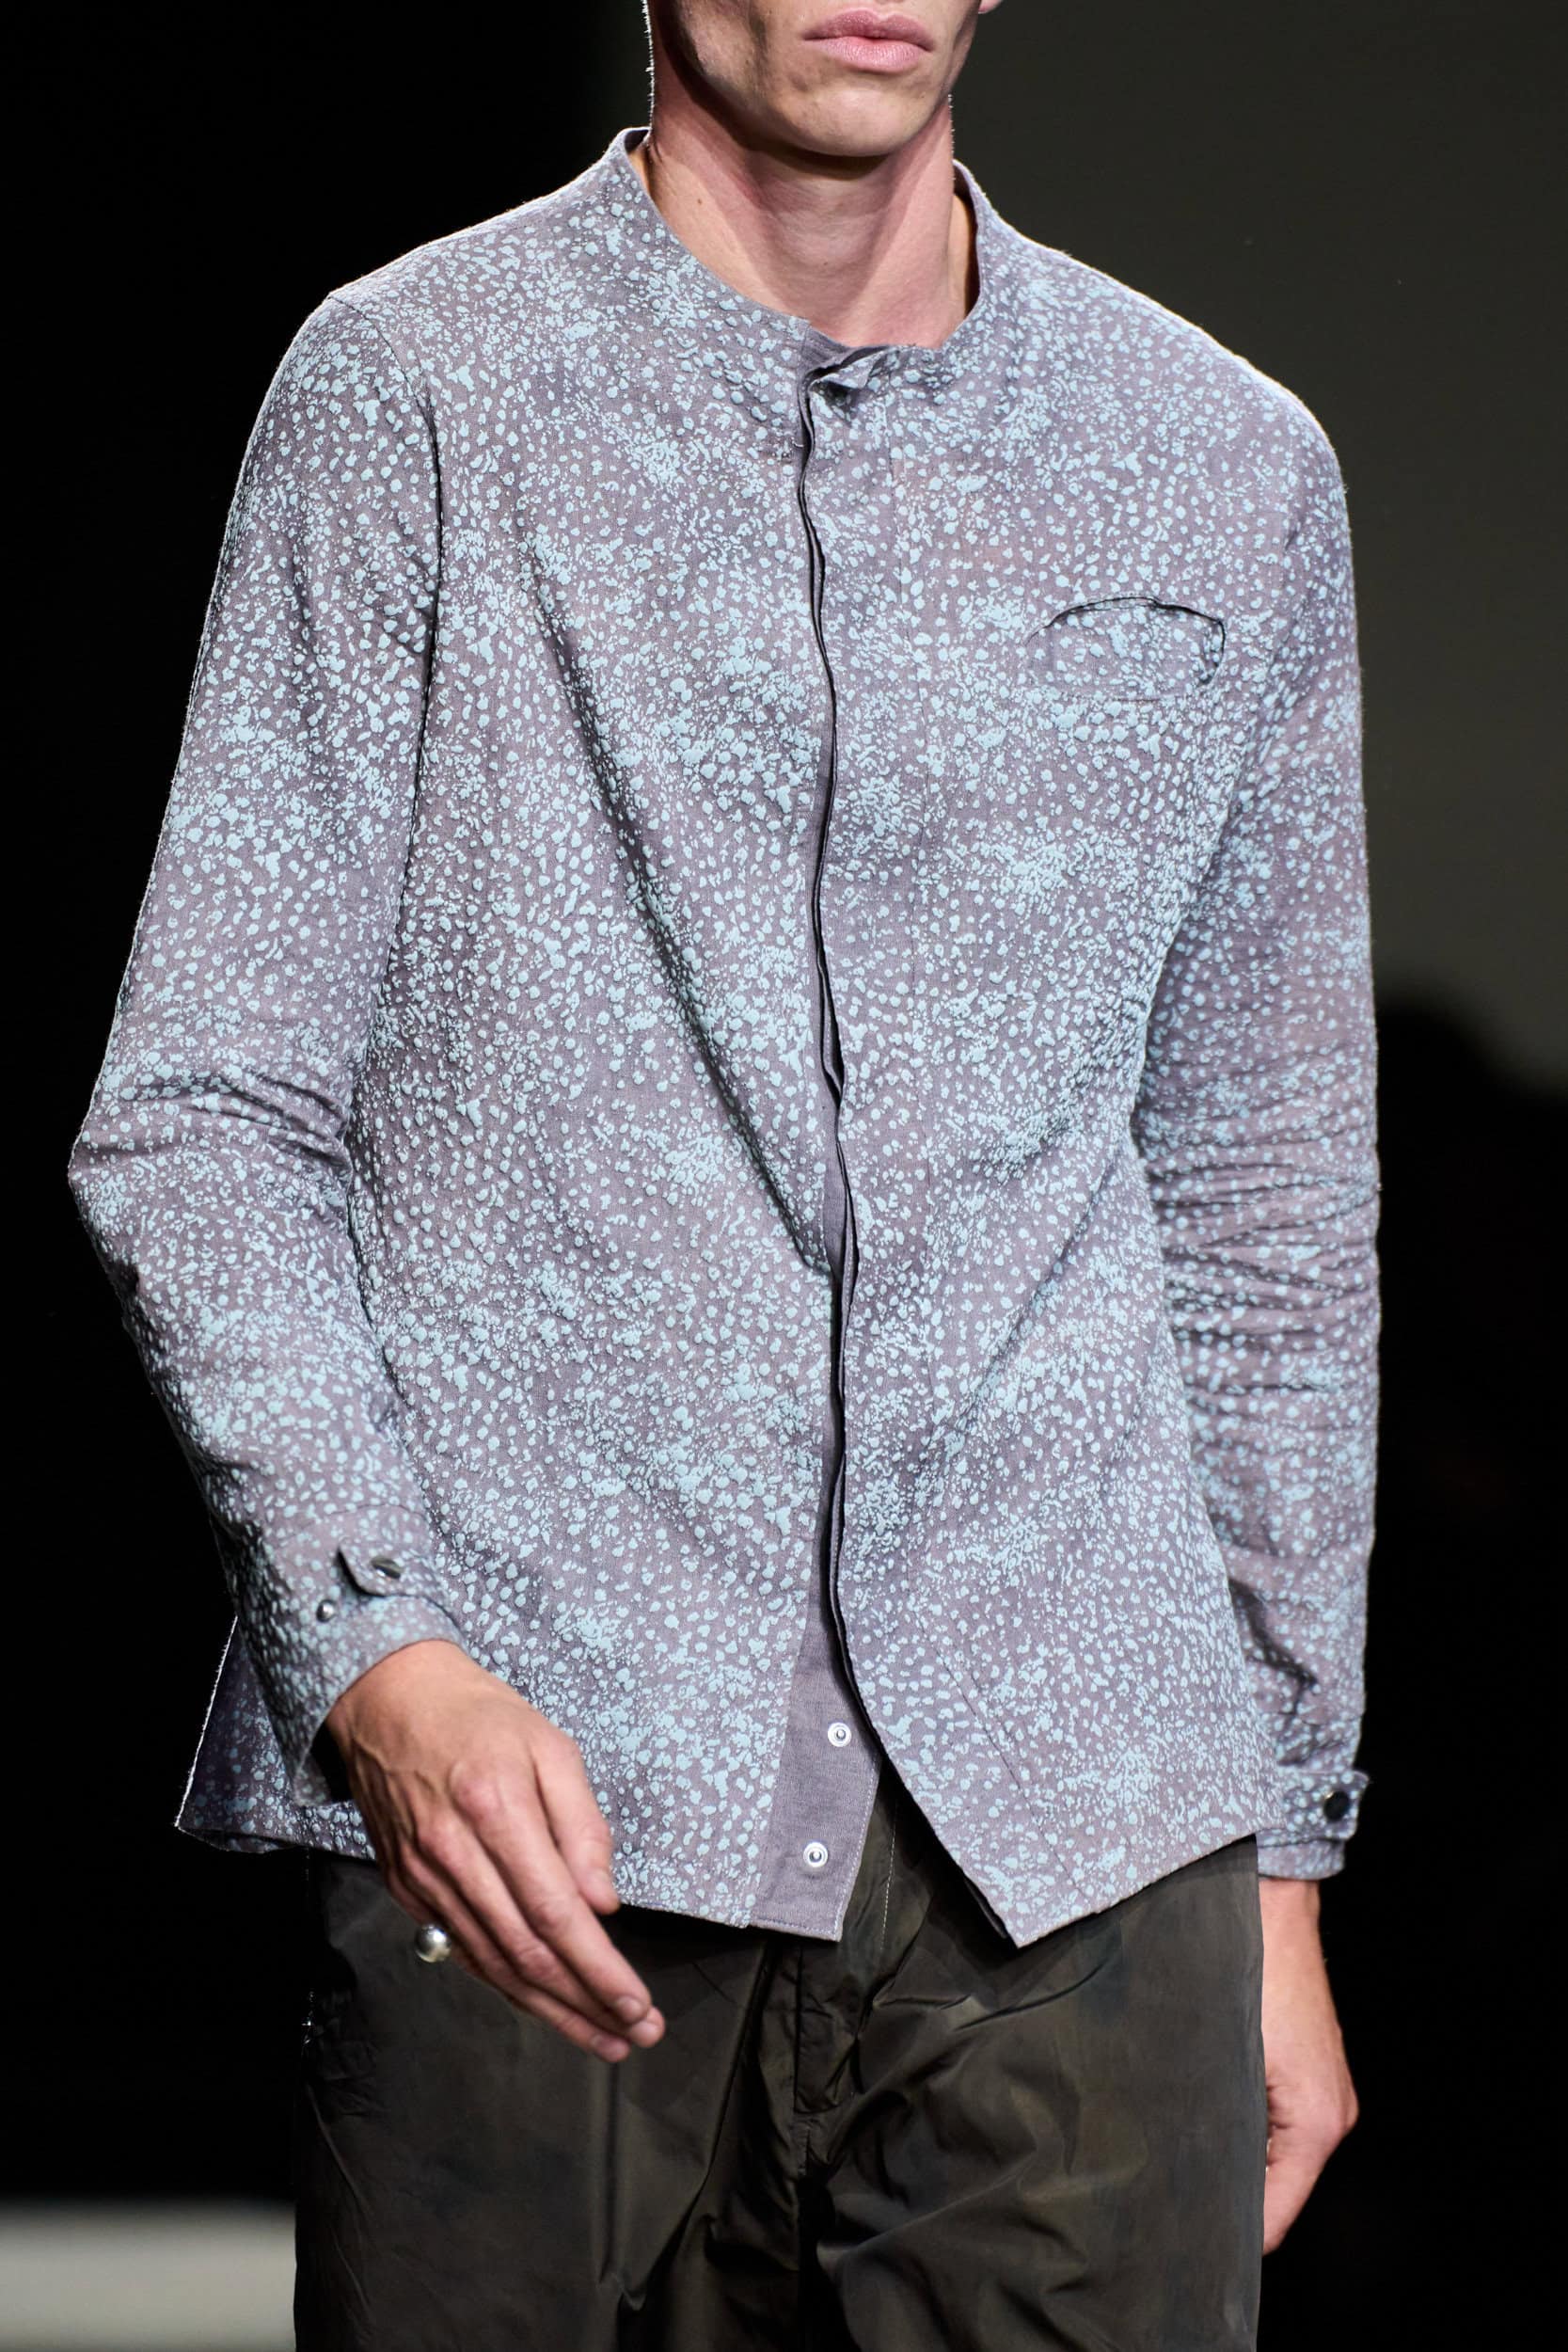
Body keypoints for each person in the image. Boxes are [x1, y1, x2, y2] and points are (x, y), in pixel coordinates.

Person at [68, 3, 1377, 2344]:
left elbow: (1263, 1201)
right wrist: (382, 1652)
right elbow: (207, 1106)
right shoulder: (422, 391)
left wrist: (1277, 1847)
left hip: (1087, 1816)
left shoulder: (1217, 462)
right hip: (541, 1797)